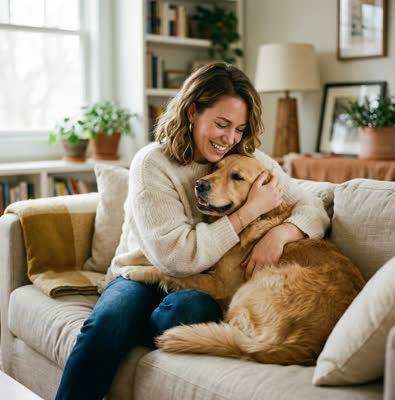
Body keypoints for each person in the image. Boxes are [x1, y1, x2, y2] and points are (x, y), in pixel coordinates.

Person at [55, 62, 329, 400]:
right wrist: (249, 212)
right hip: (143, 273)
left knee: (189, 311)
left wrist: (281, 233)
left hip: (202, 284)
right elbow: (177, 259)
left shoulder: (249, 160)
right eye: (221, 124)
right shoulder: (153, 163)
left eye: (240, 129)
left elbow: (314, 207)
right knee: (108, 321)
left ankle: (138, 332)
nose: (230, 139)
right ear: (191, 112)